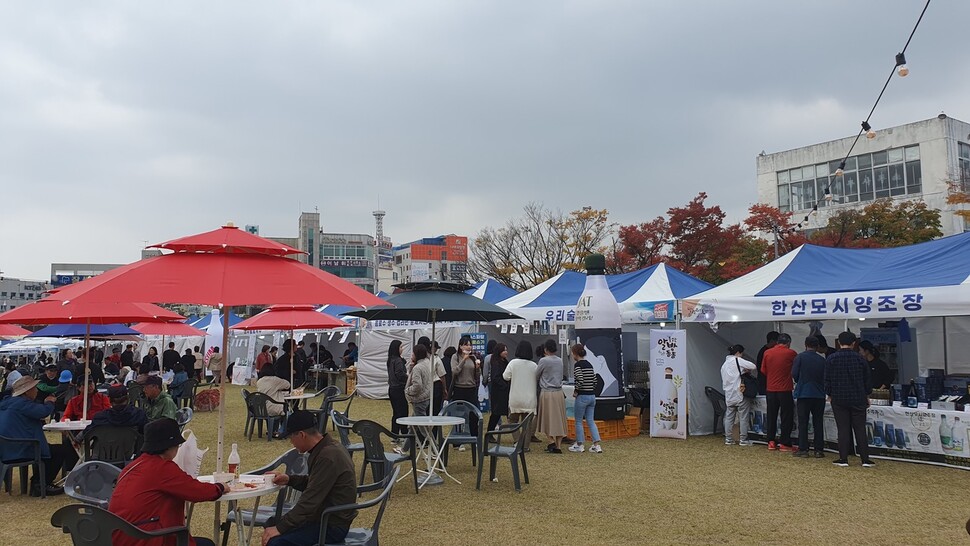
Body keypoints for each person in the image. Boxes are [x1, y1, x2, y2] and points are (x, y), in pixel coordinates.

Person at [109, 418, 225, 546]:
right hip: (147, 538)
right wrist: (220, 487)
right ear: (170, 446)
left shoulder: (133, 466)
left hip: (120, 537)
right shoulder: (162, 468)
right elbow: (199, 492)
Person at [261, 411, 358, 545]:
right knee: (272, 523)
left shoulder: (327, 456)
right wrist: (289, 479)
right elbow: (317, 484)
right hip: (327, 518)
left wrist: (280, 528)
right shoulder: (329, 447)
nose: (291, 443)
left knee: (276, 542)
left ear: (302, 435)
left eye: (291, 438)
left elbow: (310, 501)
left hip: (330, 525)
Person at [0, 377, 68, 496]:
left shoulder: (5, 403)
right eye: (34, 388)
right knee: (60, 450)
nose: (36, 391)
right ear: (26, 391)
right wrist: (50, 402)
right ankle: (40, 484)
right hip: (22, 448)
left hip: (5, 448)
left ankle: (38, 481)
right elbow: (42, 412)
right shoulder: (22, 404)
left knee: (49, 449)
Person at [826, 331, 873, 468]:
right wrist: (867, 395)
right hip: (858, 397)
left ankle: (843, 458)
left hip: (839, 398)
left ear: (839, 343)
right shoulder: (860, 359)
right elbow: (867, 380)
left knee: (843, 429)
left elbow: (827, 379)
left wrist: (830, 393)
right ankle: (865, 459)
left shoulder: (832, 358)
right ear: (854, 343)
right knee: (860, 428)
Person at [761, 332, 796, 452]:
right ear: (788, 343)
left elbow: (763, 370)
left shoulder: (767, 352)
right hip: (785, 389)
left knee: (771, 415)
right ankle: (784, 442)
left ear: (777, 342)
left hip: (770, 389)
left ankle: (771, 441)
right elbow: (795, 370)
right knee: (786, 416)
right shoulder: (791, 353)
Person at [793, 336, 827, 458]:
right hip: (819, 394)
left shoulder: (800, 357)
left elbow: (794, 374)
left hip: (804, 393)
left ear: (805, 344)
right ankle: (818, 450)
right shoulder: (822, 360)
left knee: (803, 422)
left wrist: (800, 381)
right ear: (817, 346)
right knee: (818, 422)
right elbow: (825, 377)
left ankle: (803, 449)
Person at [571, 342, 605, 453]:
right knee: (591, 420)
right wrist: (591, 388)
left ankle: (579, 445)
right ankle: (596, 445)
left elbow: (579, 380)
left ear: (575, 354)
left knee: (579, 421)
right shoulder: (590, 364)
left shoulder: (577, 365)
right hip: (592, 396)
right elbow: (595, 380)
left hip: (582, 396)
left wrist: (576, 391)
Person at [720, 344, 756, 446]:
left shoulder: (724, 365)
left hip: (729, 394)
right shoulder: (738, 360)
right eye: (742, 354)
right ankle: (743, 439)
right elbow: (753, 366)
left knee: (729, 417)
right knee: (743, 417)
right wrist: (744, 370)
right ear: (738, 352)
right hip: (739, 393)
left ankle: (728, 439)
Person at [503, 341, 537, 449]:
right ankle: (525, 446)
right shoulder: (534, 365)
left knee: (512, 420)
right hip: (530, 400)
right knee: (527, 424)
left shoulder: (513, 363)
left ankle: (517, 441)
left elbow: (505, 377)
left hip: (515, 398)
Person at [536, 340, 568, 453]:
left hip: (547, 393)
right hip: (559, 392)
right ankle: (558, 446)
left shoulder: (543, 360)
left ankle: (550, 441)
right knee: (559, 420)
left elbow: (536, 374)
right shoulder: (560, 360)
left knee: (546, 418)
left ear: (545, 349)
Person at [84, 384, 149, 436]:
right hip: (132, 451)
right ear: (128, 398)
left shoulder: (100, 418)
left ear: (109, 400)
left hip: (106, 451)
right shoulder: (139, 415)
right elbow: (147, 434)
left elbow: (86, 433)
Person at [451, 336, 482, 440]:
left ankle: (474, 437)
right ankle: (458, 440)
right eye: (466, 344)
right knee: (459, 415)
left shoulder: (473, 357)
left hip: (471, 388)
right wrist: (463, 359)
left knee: (473, 414)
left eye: (470, 344)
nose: (468, 347)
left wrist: (478, 369)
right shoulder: (455, 357)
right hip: (459, 388)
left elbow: (477, 376)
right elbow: (455, 371)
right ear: (460, 346)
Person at [386, 340, 409, 437]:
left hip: (392, 389)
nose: (402, 349)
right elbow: (400, 374)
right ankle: (403, 432)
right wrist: (409, 378)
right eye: (400, 347)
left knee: (396, 412)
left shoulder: (390, 359)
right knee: (403, 411)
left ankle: (394, 433)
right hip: (399, 388)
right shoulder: (398, 361)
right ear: (396, 349)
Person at [486, 343, 510, 431]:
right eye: (504, 350)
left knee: (501, 413)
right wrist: (504, 385)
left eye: (506, 350)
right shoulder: (496, 362)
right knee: (496, 413)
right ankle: (490, 431)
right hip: (498, 392)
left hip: (503, 391)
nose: (506, 352)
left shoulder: (504, 361)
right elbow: (495, 378)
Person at [404, 344, 433, 417]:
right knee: (415, 421)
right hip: (426, 396)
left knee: (421, 423)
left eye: (413, 353)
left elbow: (417, 385)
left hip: (419, 399)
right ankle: (411, 428)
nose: (412, 355)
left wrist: (408, 390)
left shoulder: (417, 367)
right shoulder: (426, 363)